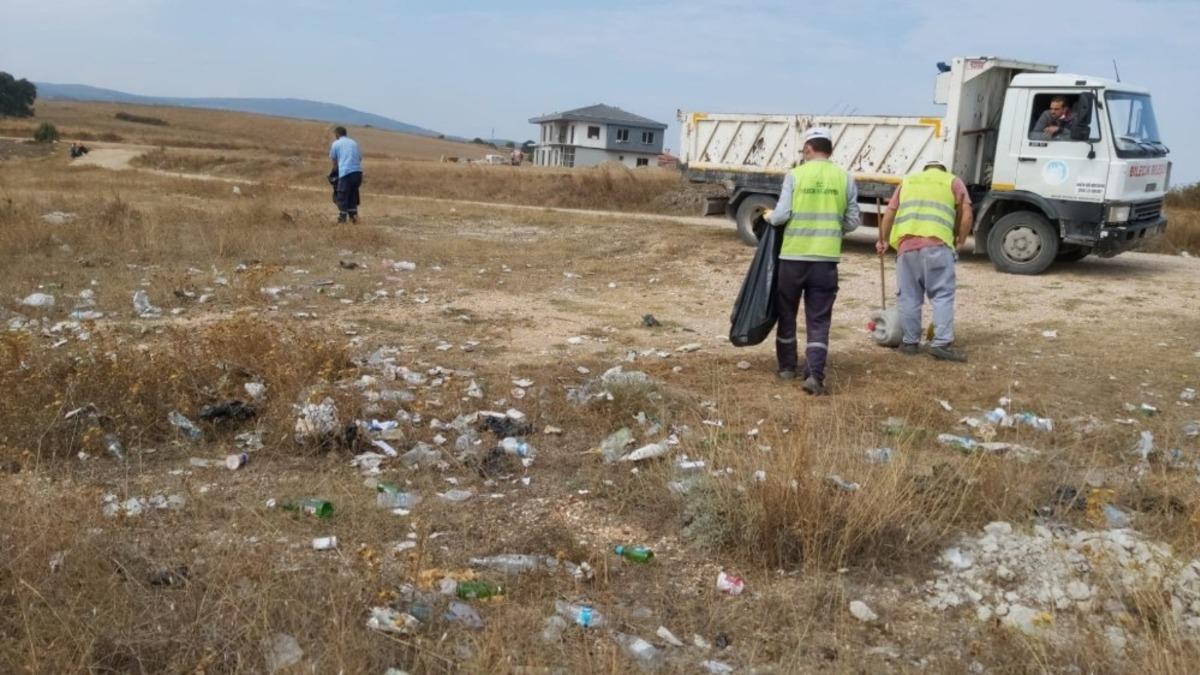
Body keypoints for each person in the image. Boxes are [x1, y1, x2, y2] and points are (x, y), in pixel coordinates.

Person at [762, 127, 861, 395]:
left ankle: (786, 368)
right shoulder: (845, 178)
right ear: (829, 149)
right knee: (819, 319)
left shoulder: (795, 175)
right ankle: (814, 375)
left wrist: (768, 216)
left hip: (793, 258)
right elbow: (853, 221)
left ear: (808, 149)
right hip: (825, 261)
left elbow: (782, 215)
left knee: (787, 313)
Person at [875, 159, 973, 362]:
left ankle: (910, 342)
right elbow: (966, 214)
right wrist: (961, 241)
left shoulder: (908, 181)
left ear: (925, 170)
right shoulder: (953, 181)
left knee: (909, 297)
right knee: (942, 295)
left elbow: (890, 213)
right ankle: (941, 343)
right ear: (943, 170)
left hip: (907, 248)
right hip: (938, 246)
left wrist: (883, 240)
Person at [328, 126, 363, 223]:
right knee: (353, 195)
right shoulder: (354, 143)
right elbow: (359, 158)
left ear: (337, 134)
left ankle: (342, 218)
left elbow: (334, 162)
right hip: (358, 174)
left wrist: (334, 174)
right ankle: (354, 218)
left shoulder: (336, 143)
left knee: (342, 195)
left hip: (346, 173)